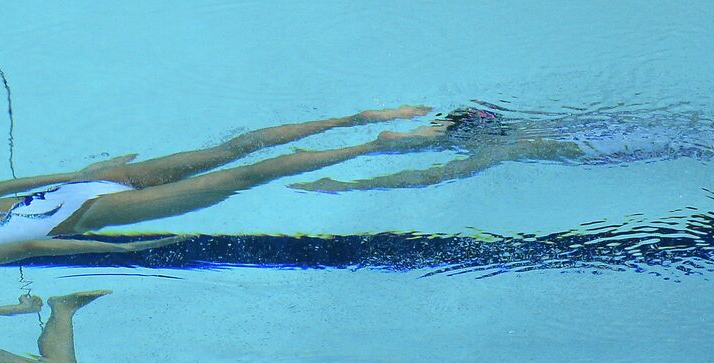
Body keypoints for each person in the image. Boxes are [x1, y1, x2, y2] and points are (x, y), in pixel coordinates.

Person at [0, 106, 434, 273]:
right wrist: (84, 171)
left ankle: (375, 148)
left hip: (98, 207)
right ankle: (362, 120)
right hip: (81, 186)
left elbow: (30, 250)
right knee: (233, 149)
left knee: (244, 176)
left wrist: (117, 251)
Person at [292, 106, 714, 193]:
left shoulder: (505, 150)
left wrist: (349, 187)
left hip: (617, 147)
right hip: (628, 129)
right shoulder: (524, 126)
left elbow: (435, 176)